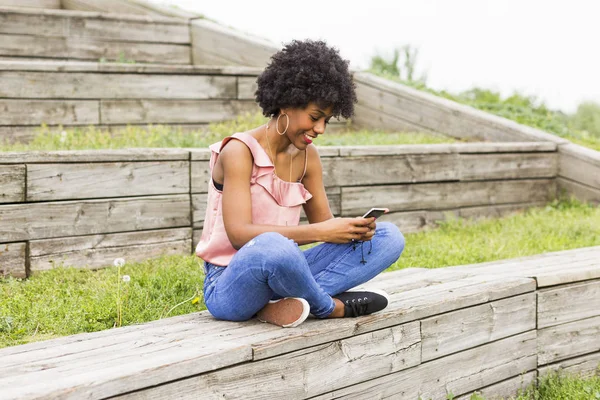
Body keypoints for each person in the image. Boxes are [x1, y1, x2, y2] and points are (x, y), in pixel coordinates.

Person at [196, 39, 405, 328]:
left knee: (389, 237)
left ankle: (282, 305)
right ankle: (327, 306)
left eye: (327, 121)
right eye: (315, 117)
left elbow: (324, 228)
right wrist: (321, 231)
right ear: (286, 103)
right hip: (228, 283)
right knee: (275, 247)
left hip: (284, 269)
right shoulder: (239, 152)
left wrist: (351, 230)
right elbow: (240, 236)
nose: (320, 129)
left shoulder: (309, 158)